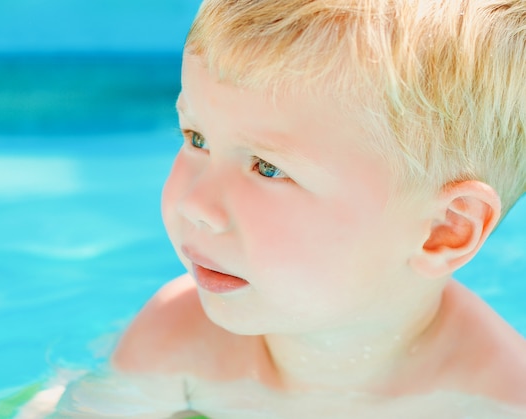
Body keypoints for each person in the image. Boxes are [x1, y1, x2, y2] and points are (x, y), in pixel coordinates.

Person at [27, 0, 526, 417]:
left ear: (445, 229)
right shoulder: (177, 339)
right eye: (196, 138)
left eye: (268, 168)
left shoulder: (498, 397)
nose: (197, 204)